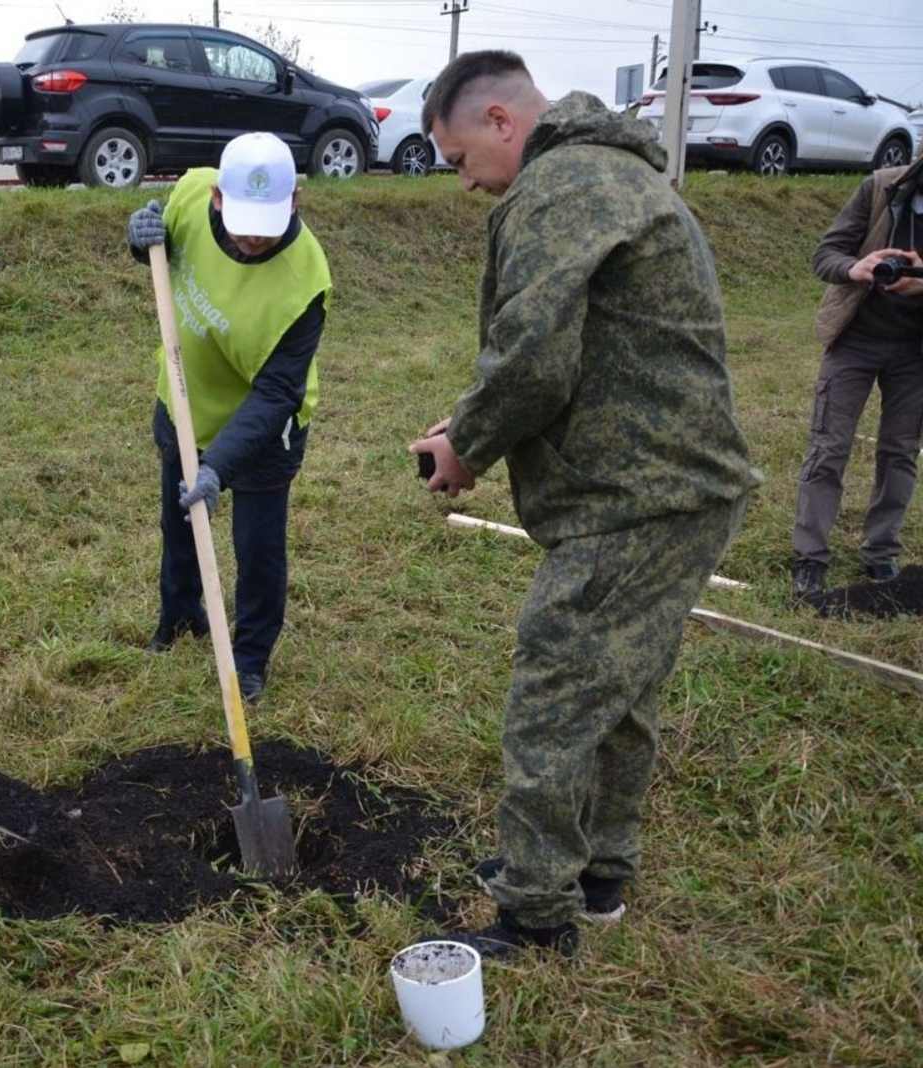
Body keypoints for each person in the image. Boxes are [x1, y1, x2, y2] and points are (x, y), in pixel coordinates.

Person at [408, 51, 762, 959]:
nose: (464, 184)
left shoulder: (559, 187)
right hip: (677, 483)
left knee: (555, 697)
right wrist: (478, 418)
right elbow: (587, 342)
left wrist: (466, 444)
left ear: (499, 121)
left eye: (456, 160)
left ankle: (534, 916)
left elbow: (532, 355)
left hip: (639, 495)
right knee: (623, 687)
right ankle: (601, 872)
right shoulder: (610, 173)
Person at [126, 131, 333, 702]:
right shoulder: (191, 195)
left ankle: (249, 659)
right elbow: (161, 247)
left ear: (294, 202)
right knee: (180, 523)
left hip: (264, 427)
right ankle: (180, 616)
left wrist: (217, 466)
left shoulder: (305, 281)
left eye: (268, 224)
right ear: (218, 197)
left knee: (257, 545)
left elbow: (276, 392)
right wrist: (141, 238)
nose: (252, 240)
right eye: (243, 221)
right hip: (186, 400)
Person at [790, 157, 923, 598]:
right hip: (855, 341)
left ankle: (881, 552)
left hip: (915, 352)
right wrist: (857, 268)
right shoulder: (881, 188)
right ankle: (810, 556)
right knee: (828, 448)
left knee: (900, 452)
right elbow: (824, 254)